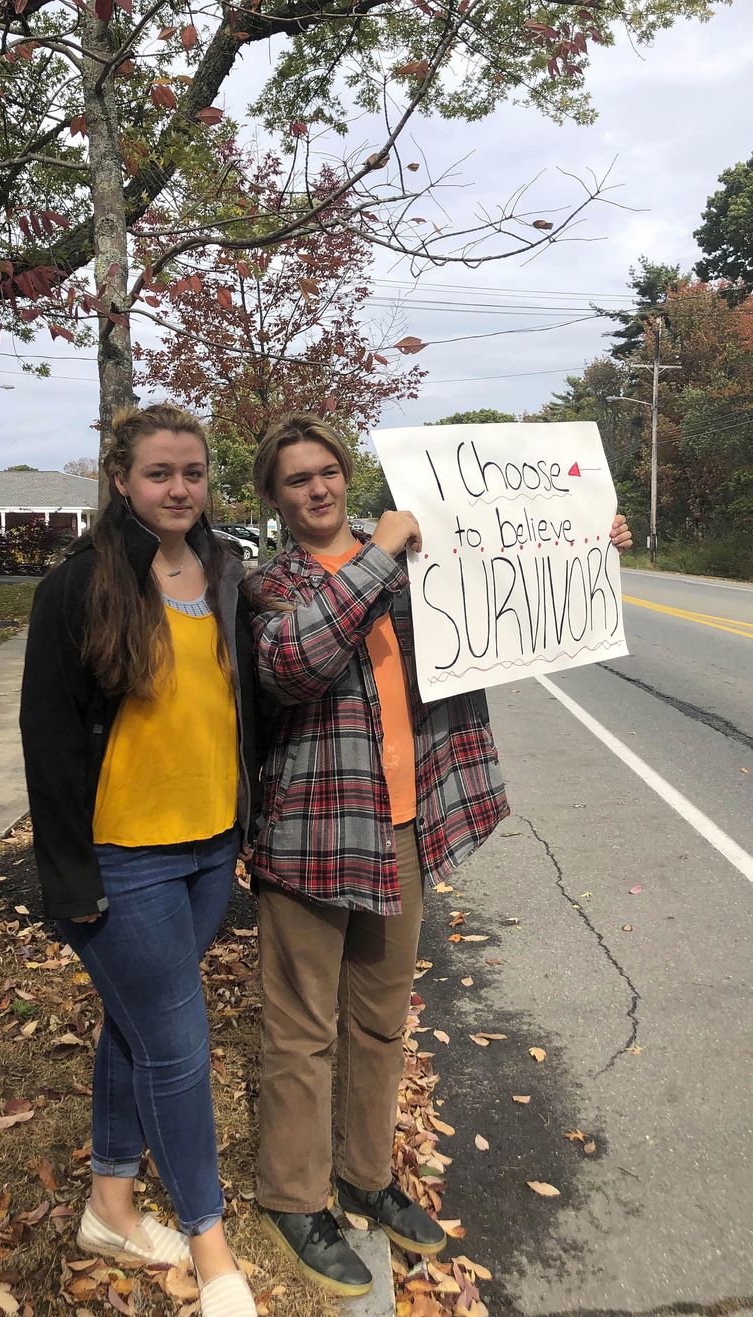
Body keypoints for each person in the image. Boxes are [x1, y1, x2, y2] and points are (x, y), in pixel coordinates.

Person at [246, 412, 633, 1298]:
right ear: (274, 494)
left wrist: (585, 546)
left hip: (403, 828)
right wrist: (378, 553)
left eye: (329, 472)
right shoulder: (269, 585)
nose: (318, 488)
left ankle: (365, 1174)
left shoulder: (425, 567)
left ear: (347, 475)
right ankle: (295, 1196)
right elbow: (294, 665)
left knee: (382, 1020)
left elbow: (507, 602)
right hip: (310, 837)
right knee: (302, 1028)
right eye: (297, 478)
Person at [19, 402, 259, 1317]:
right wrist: (68, 878)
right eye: (160, 473)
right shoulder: (80, 585)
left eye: (192, 473)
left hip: (208, 850)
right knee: (179, 1048)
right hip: (125, 860)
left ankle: (110, 1205)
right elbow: (49, 740)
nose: (178, 489)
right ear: (121, 479)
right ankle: (211, 1244)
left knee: (137, 1028)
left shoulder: (227, 567)